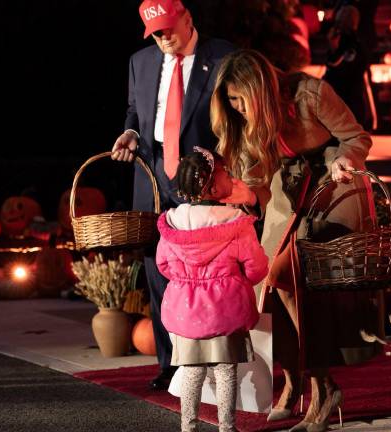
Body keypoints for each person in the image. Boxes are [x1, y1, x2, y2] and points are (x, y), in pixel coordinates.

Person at [210, 49, 383, 432]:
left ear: (261, 91)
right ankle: (295, 383)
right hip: (286, 187)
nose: (237, 108)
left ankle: (323, 390)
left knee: (298, 277)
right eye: (231, 101)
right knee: (272, 281)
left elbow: (356, 137)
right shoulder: (245, 120)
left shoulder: (311, 94)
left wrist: (344, 160)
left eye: (241, 99)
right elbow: (250, 172)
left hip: (332, 182)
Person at [111, 0, 235, 390]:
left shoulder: (222, 56)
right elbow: (136, 110)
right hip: (152, 178)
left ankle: (213, 363)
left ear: (188, 18)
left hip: (201, 176)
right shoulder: (140, 61)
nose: (164, 38)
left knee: (207, 271)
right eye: (156, 33)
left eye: (168, 28)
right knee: (158, 271)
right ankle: (171, 365)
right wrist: (130, 132)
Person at [155, 148, 268, 432]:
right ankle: (226, 428)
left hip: (186, 311)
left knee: (192, 370)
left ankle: (188, 426)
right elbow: (256, 267)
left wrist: (185, 279)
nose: (230, 176)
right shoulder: (235, 222)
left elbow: (163, 265)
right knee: (226, 371)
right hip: (226, 308)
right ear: (214, 184)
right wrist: (241, 280)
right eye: (226, 173)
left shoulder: (173, 223)